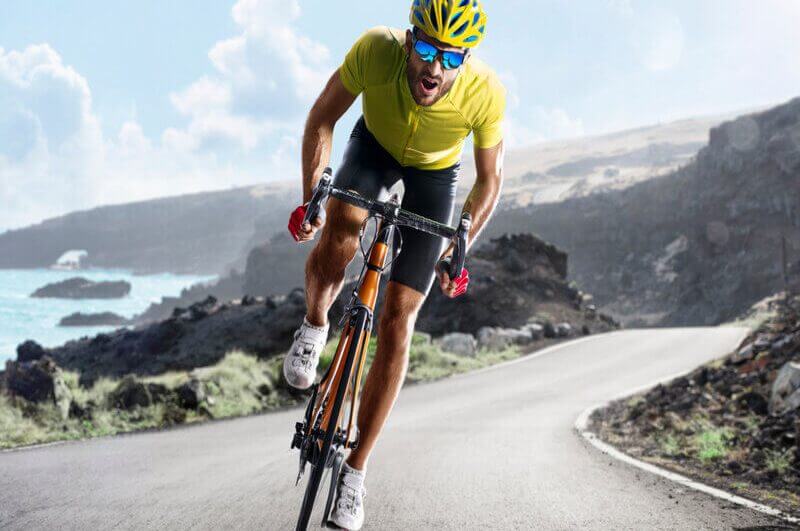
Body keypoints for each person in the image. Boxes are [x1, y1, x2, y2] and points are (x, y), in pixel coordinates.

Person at [284, 1, 505, 528]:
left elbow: (489, 180)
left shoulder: (485, 93)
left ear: (465, 59)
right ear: (408, 41)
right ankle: (314, 326)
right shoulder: (375, 49)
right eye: (426, 49)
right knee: (342, 227)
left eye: (451, 57)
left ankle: (355, 471)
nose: (435, 67)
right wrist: (312, 195)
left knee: (400, 318)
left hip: (435, 176)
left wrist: (460, 246)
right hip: (374, 149)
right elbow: (322, 117)